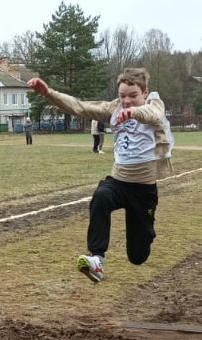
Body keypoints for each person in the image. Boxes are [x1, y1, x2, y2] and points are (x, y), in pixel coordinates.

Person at [28, 68, 171, 284]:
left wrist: (133, 113)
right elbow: (80, 107)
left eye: (133, 96)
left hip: (143, 189)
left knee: (138, 256)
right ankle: (97, 259)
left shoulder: (154, 105)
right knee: (101, 197)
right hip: (118, 181)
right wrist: (49, 93)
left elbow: (153, 115)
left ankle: (146, 232)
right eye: (123, 96)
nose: (127, 101)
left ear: (144, 92)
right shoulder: (113, 109)